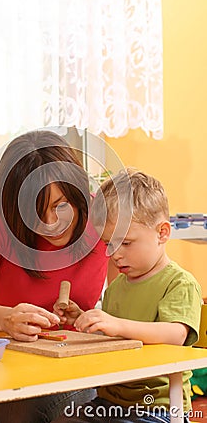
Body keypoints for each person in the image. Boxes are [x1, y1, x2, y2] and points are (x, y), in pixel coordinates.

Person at [0, 129, 109, 423]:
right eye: (34, 212)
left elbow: (147, 268)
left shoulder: (101, 215)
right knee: (19, 409)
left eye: (60, 205)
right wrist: (6, 319)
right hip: (14, 367)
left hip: (80, 364)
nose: (51, 224)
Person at [52, 167, 202, 423]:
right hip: (111, 402)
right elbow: (118, 339)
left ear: (162, 233)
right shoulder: (117, 287)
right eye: (109, 243)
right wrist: (86, 321)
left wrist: (115, 323)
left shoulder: (179, 283)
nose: (114, 254)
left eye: (126, 242)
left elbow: (176, 335)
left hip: (158, 407)